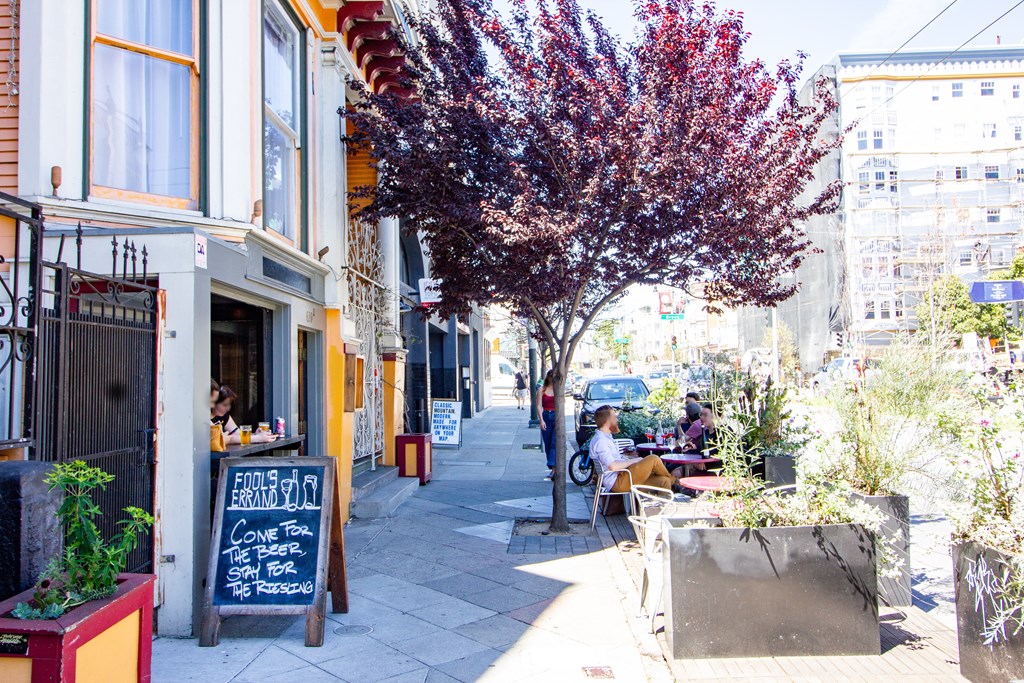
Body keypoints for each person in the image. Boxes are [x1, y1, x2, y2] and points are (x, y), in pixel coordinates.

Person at [590, 405, 676, 493]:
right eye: (615, 417)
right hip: (618, 481)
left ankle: (661, 505)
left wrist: (630, 459)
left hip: (624, 476)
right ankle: (675, 481)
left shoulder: (606, 437)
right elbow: (613, 466)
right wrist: (634, 461)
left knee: (665, 481)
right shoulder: (601, 441)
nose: (617, 420)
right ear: (608, 421)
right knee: (654, 459)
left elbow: (615, 460)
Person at [211, 385, 277, 445]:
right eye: (224, 405)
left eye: (229, 405)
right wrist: (258, 438)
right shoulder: (206, 418)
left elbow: (237, 433)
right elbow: (223, 439)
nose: (228, 408)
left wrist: (255, 435)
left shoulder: (224, 416)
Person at [537, 370, 557, 479]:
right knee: (548, 444)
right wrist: (541, 420)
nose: (552, 378)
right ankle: (552, 467)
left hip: (556, 417)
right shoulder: (542, 390)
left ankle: (554, 470)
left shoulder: (558, 390)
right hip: (546, 416)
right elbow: (539, 405)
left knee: (554, 444)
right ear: (547, 377)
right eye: (551, 376)